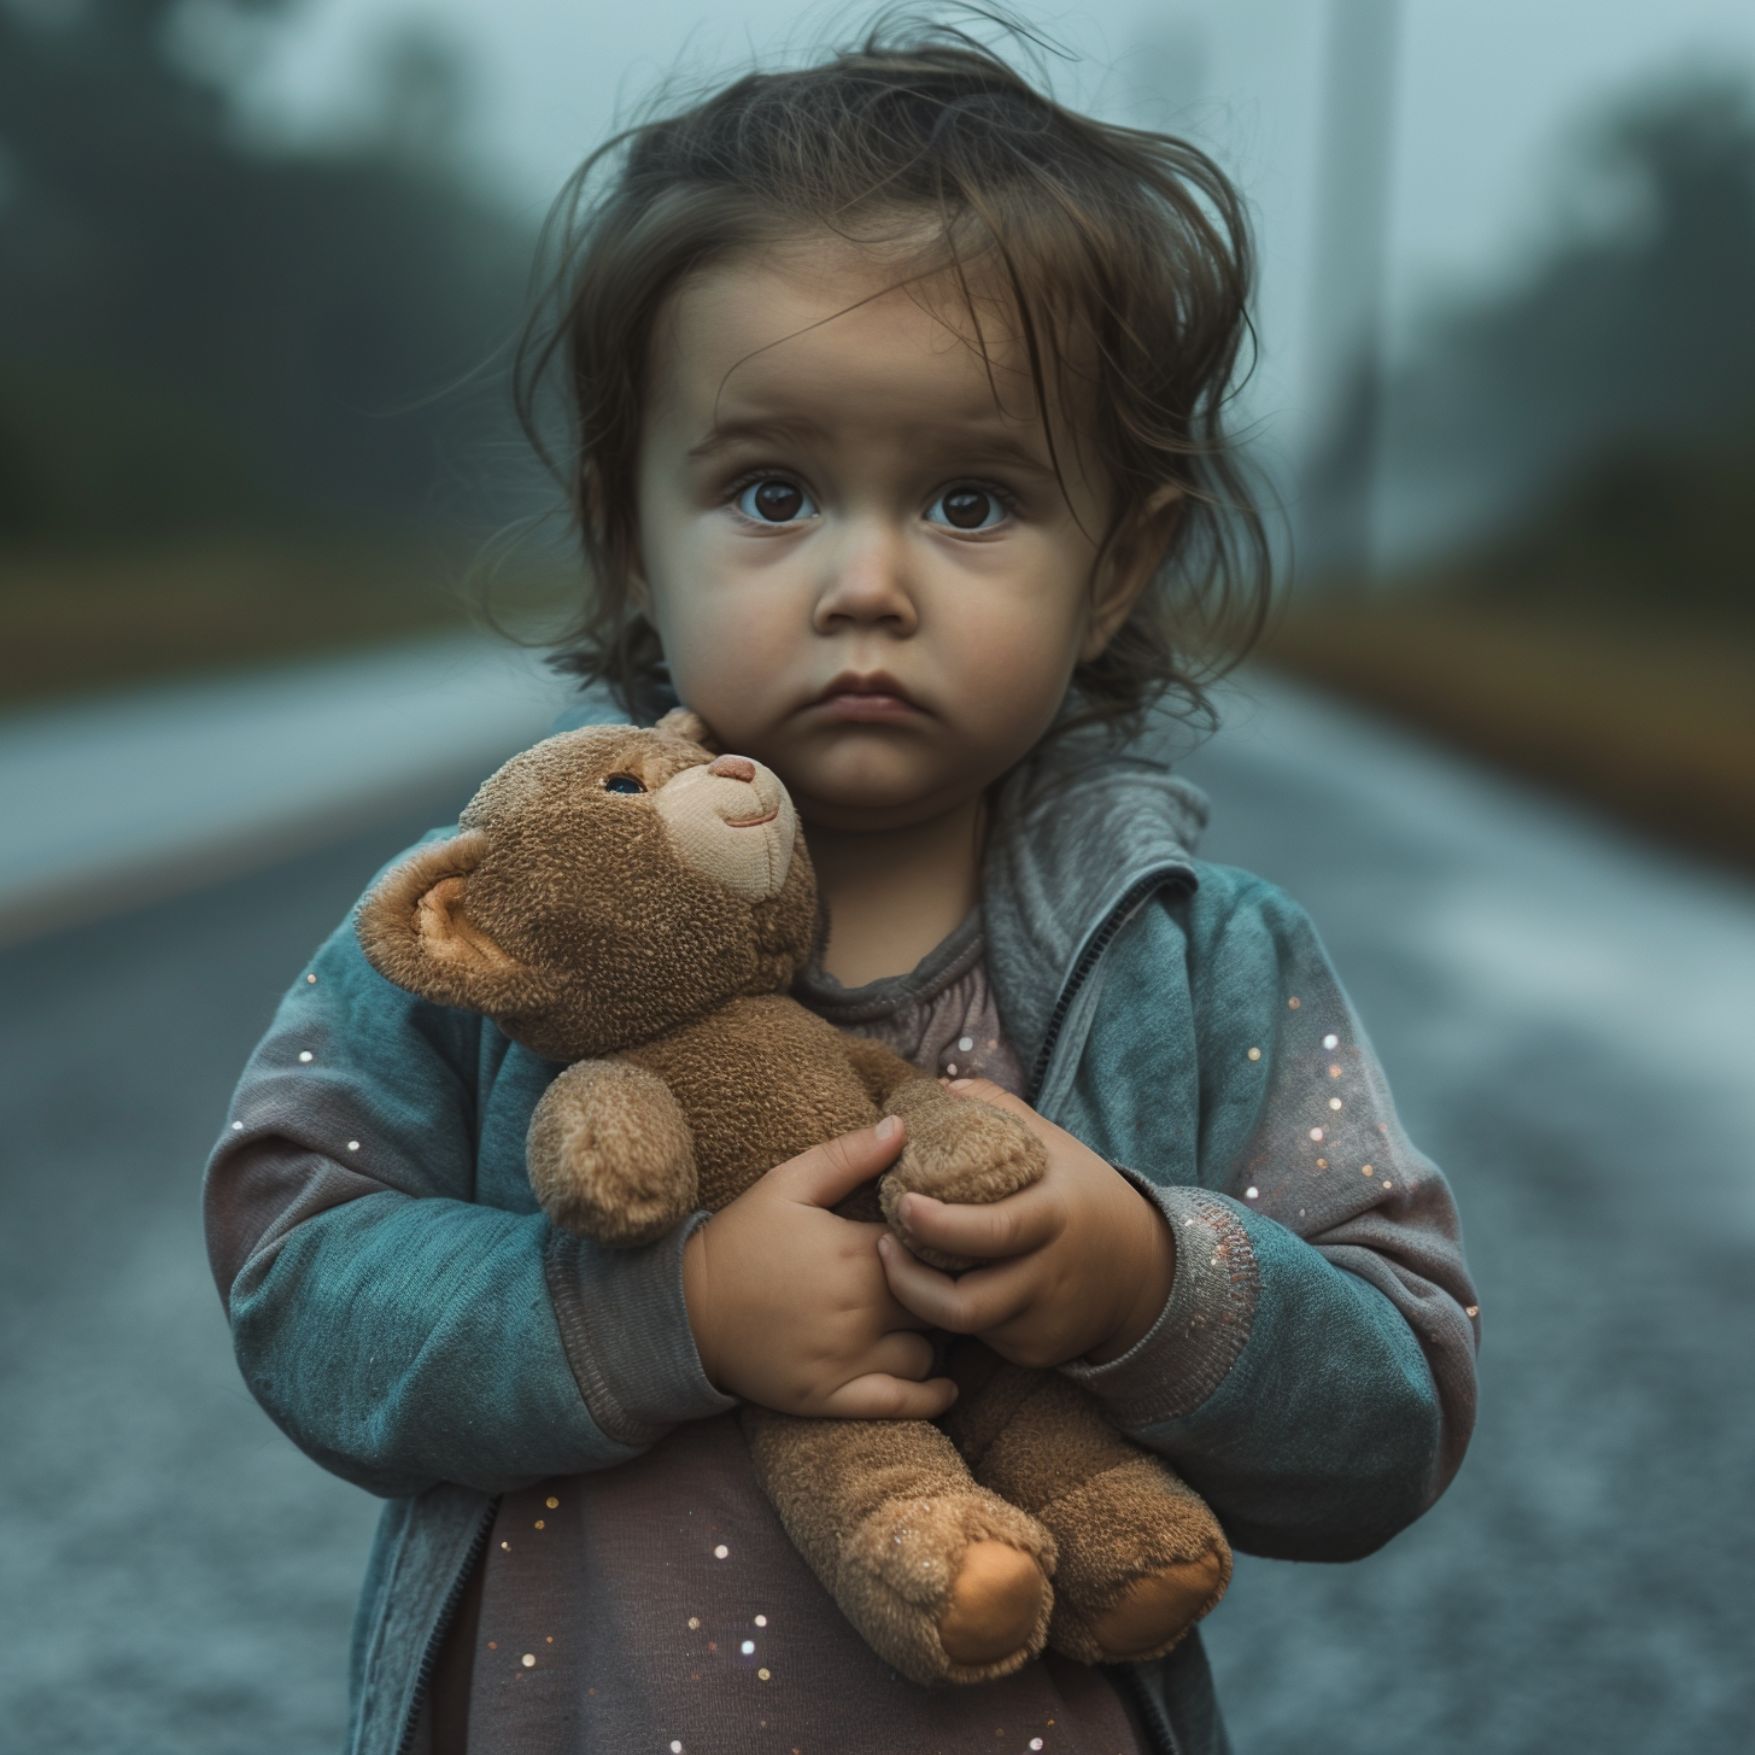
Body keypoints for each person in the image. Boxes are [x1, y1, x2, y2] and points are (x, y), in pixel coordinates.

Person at [203, 8, 1480, 1752]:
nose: (866, 581)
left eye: (970, 502)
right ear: (624, 534)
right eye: (774, 489)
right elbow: (298, 1277)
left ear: (1117, 570)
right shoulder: (511, 929)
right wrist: (662, 1316)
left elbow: (1396, 1412)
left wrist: (1146, 1283)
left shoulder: (1197, 960)